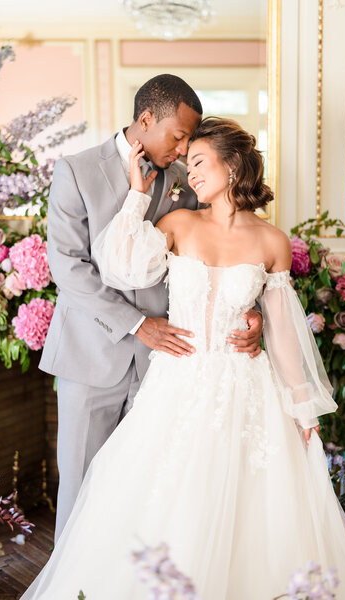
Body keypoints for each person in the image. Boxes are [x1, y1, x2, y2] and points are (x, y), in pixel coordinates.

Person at [22, 117, 345, 599]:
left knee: (250, 511)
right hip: (176, 383)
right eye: (188, 163)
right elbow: (120, 267)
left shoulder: (273, 242)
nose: (191, 173)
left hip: (246, 391)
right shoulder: (179, 222)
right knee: (166, 504)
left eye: (200, 162)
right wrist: (138, 195)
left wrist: (303, 409)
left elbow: (285, 332)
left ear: (233, 165)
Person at [39, 74, 263, 542]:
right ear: (145, 119)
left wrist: (249, 310)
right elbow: (68, 267)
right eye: (178, 136)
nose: (183, 150)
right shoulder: (76, 170)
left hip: (167, 368)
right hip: (92, 358)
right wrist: (138, 324)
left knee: (148, 492)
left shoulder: (187, 180)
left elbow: (224, 251)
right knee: (82, 486)